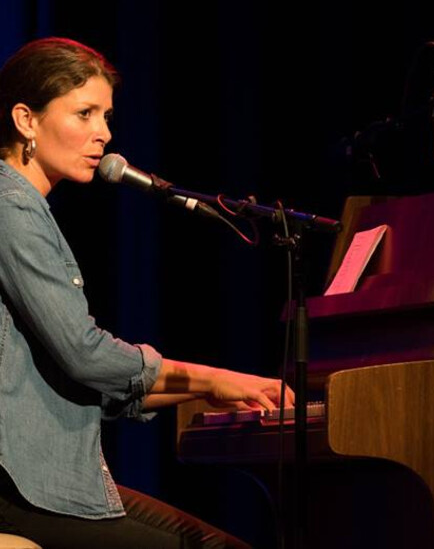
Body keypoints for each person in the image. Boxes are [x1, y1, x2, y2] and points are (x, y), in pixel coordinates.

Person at [0, 36, 294, 548]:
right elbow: (85, 356)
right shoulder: (12, 208)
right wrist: (213, 377)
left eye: (107, 116)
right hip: (17, 487)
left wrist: (208, 388)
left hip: (39, 479)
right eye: (85, 113)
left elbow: (72, 384)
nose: (104, 134)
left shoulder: (24, 207)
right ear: (26, 119)